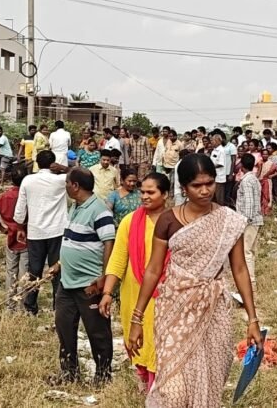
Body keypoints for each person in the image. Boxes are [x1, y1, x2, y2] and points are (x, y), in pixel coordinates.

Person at [126, 153, 262, 407]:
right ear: (184, 187)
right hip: (174, 308)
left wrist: (252, 319)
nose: (205, 190)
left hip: (214, 311)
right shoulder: (168, 220)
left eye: (209, 183)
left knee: (209, 381)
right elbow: (154, 270)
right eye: (197, 185)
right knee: (173, 392)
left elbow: (240, 269)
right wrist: (137, 318)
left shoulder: (228, 220)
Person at [99, 173, 171, 393]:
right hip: (134, 293)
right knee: (139, 339)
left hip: (166, 293)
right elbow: (118, 259)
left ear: (165, 194)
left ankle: (159, 391)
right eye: (143, 192)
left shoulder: (175, 222)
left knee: (161, 341)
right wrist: (107, 292)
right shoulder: (130, 221)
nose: (145, 196)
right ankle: (145, 385)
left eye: (151, 192)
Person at [50, 167, 116, 386]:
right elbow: (72, 239)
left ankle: (103, 376)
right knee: (64, 328)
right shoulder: (75, 207)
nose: (66, 187)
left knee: (98, 333)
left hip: (89, 284)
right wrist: (60, 264)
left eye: (67, 183)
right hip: (67, 283)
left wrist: (104, 277)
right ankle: (69, 373)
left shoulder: (100, 210)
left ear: (75, 186)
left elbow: (109, 244)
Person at [14, 150, 69, 314]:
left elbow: (20, 209)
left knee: (34, 270)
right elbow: (83, 174)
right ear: (54, 163)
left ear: (37, 163)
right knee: (57, 270)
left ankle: (30, 306)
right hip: (57, 230)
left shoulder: (28, 180)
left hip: (35, 231)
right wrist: (64, 168)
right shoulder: (61, 180)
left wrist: (20, 228)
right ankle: (58, 306)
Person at [0, 168, 29, 311]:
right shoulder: (28, 196)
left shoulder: (4, 196)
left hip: (11, 238)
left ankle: (10, 305)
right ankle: (22, 306)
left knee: (11, 272)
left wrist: (0, 227)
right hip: (27, 238)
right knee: (24, 273)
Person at [236, 154, 262, 291]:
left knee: (246, 252)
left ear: (241, 166)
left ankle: (250, 283)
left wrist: (245, 220)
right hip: (255, 219)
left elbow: (249, 202)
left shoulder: (246, 181)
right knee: (250, 251)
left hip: (249, 221)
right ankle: (251, 282)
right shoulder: (254, 179)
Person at [258, 148, 277, 216]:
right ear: (261, 155)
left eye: (266, 154)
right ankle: (261, 211)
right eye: (263, 154)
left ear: (268, 155)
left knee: (267, 196)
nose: (265, 155)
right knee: (260, 196)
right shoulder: (260, 162)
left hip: (267, 181)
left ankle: (267, 211)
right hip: (260, 181)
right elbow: (258, 172)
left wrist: (272, 175)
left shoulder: (271, 163)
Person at [210, 134, 229, 205]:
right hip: (213, 177)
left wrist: (210, 166)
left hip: (219, 178)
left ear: (218, 141)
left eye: (213, 140)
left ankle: (220, 210)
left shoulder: (221, 150)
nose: (211, 142)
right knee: (213, 197)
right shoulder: (214, 150)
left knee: (219, 197)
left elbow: (221, 164)